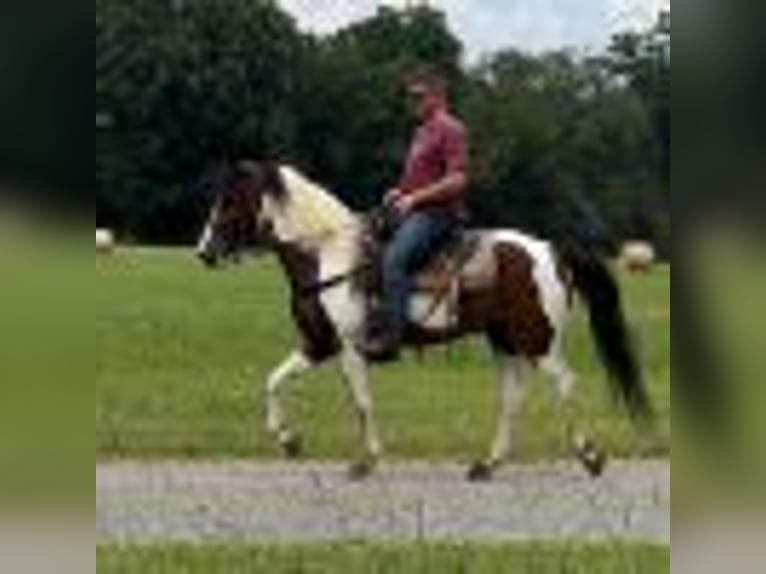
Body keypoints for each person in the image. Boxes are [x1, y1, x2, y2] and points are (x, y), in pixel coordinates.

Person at [363, 68, 470, 361]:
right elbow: (418, 177)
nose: (414, 102)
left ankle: (391, 339)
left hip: (439, 215)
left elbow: (458, 179)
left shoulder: (451, 129)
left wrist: (414, 198)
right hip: (414, 210)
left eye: (420, 97)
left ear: (438, 96)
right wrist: (399, 191)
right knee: (363, 243)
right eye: (411, 97)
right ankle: (371, 317)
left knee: (394, 259)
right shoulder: (422, 131)